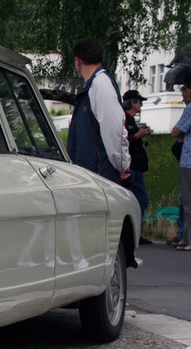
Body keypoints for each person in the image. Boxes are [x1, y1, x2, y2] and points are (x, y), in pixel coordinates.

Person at [67, 38, 131, 184]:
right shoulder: (93, 86)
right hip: (90, 172)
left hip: (100, 175)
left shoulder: (101, 84)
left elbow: (114, 128)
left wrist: (122, 165)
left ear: (78, 61)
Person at [122, 89, 152, 244]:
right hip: (129, 166)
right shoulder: (123, 119)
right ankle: (132, 235)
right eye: (139, 102)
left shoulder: (131, 119)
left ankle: (135, 233)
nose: (141, 104)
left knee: (141, 199)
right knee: (135, 200)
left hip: (136, 167)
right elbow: (123, 139)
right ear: (132, 102)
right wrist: (137, 136)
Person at [171, 85, 191, 251]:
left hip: (189, 162)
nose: (184, 99)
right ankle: (185, 238)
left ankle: (188, 239)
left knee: (188, 202)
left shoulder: (190, 109)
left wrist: (180, 134)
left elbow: (175, 131)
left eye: (185, 96)